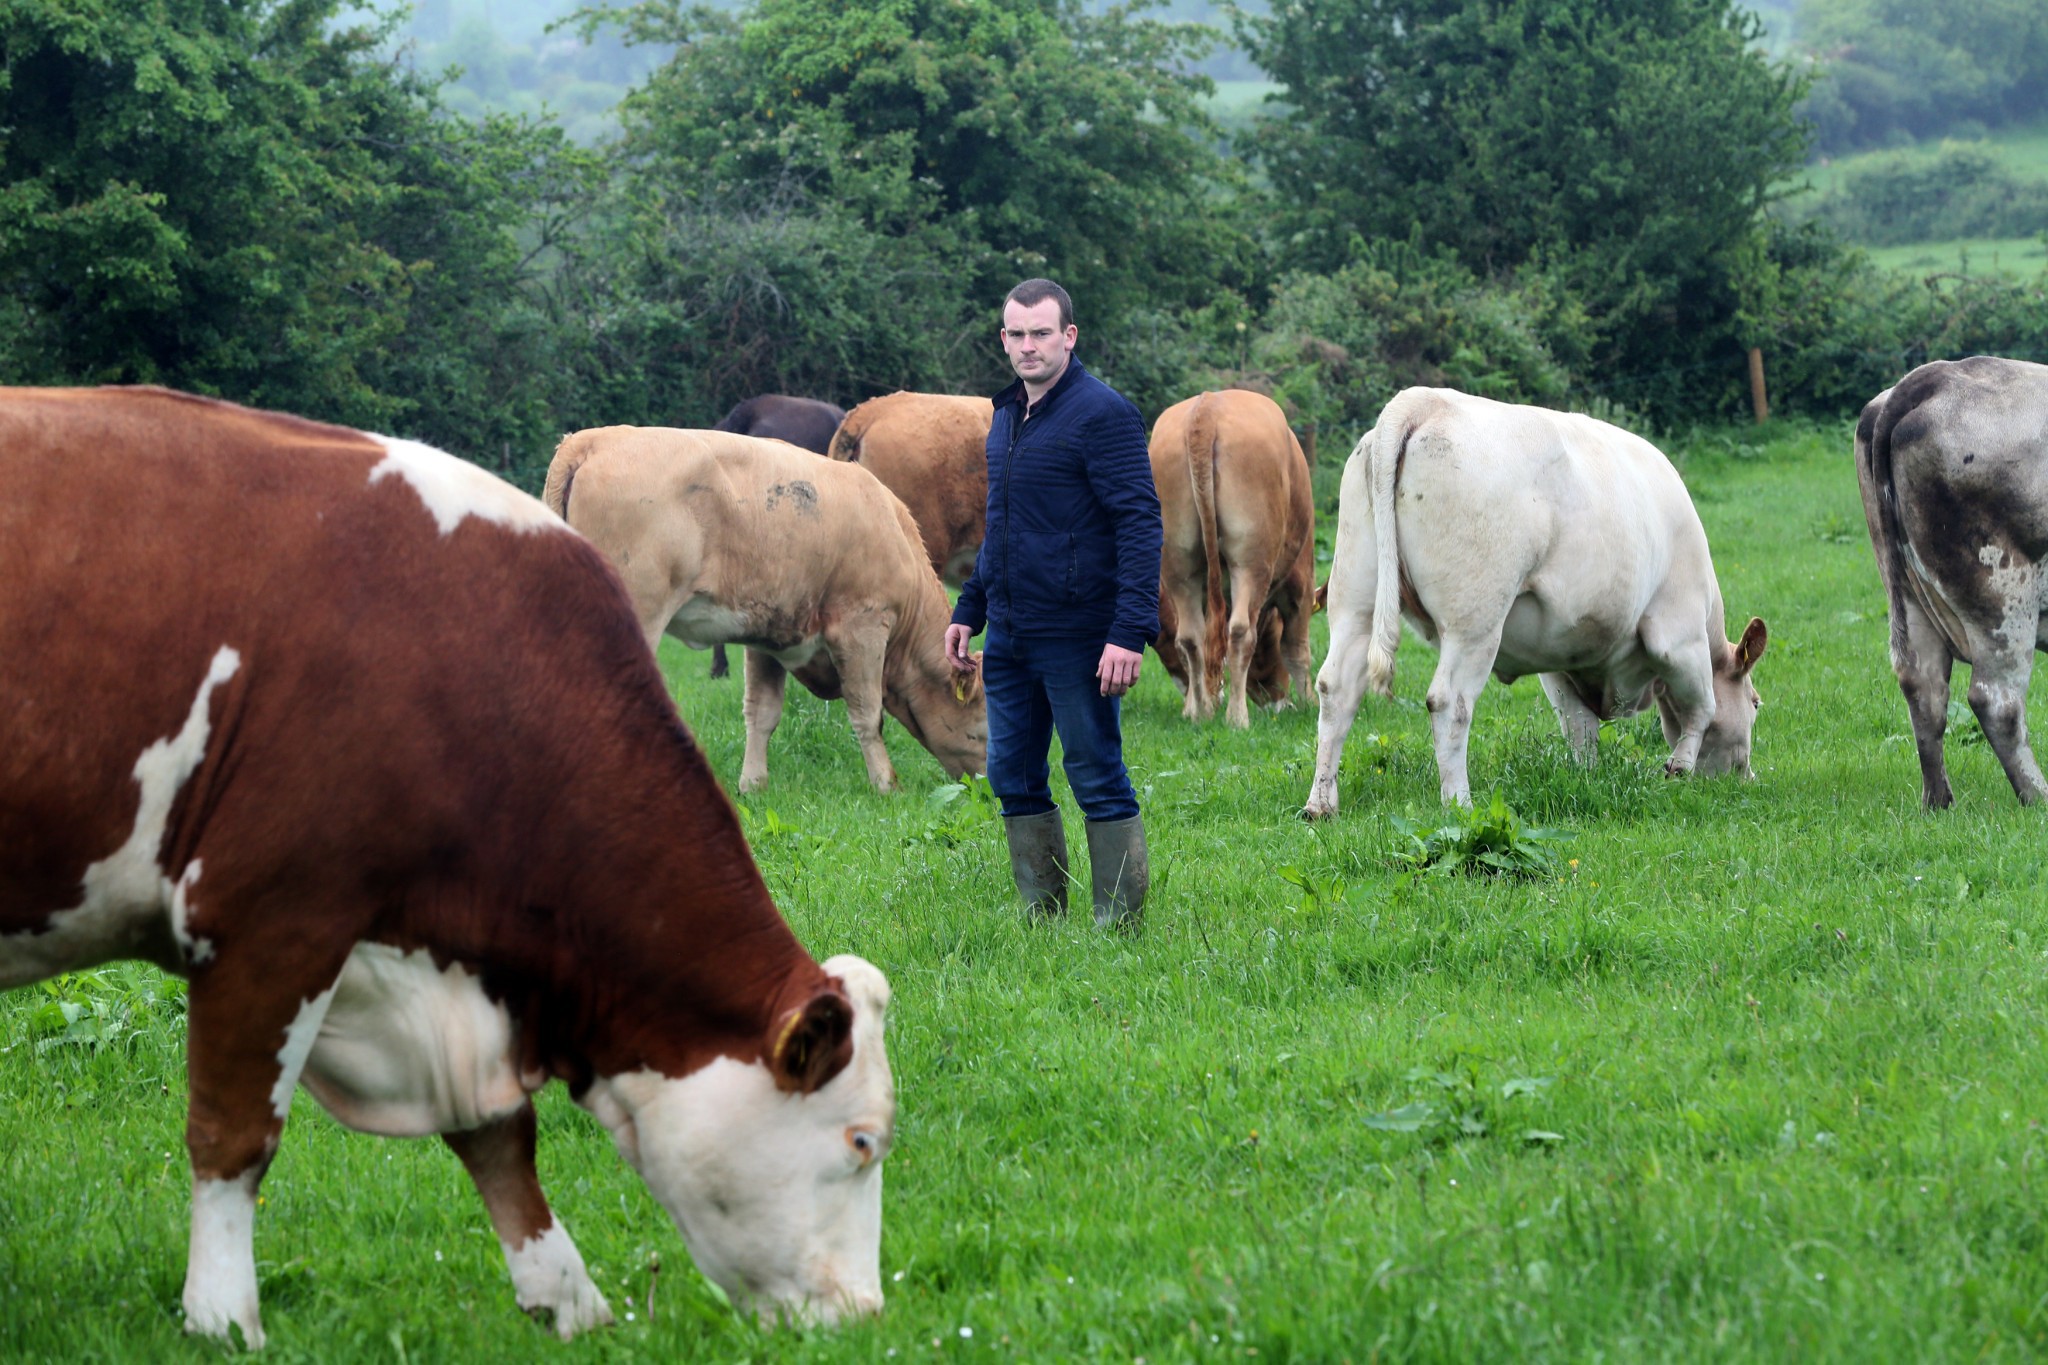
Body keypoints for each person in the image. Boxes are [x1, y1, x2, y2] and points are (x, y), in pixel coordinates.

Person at [944, 279, 1162, 927]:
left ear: (1069, 336)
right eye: (1016, 333)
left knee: (1095, 769)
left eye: (1041, 332)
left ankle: (1118, 922)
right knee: (1011, 773)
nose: (1028, 346)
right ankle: (1044, 911)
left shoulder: (1103, 414)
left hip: (1079, 633)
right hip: (1010, 635)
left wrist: (1128, 631)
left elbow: (1139, 521)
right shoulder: (1007, 415)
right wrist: (968, 610)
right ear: (1003, 339)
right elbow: (1002, 525)